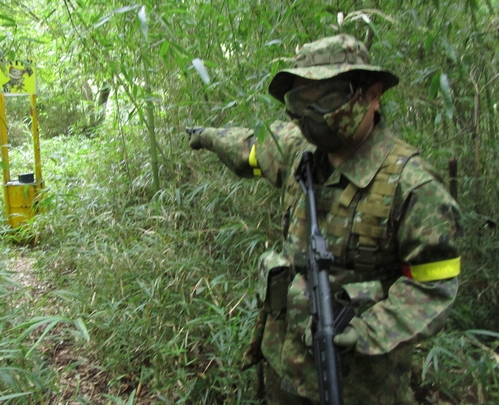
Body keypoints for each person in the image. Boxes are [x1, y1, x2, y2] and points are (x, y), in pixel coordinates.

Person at [187, 34, 461, 405]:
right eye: (302, 101)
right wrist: (205, 136)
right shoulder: (298, 152)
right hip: (284, 371)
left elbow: (433, 288)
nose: (313, 115)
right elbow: (247, 147)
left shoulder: (412, 186)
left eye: (328, 99)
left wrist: (366, 331)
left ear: (372, 95)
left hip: (359, 387)